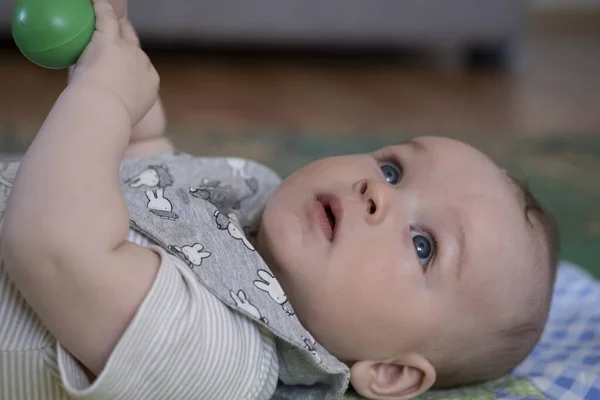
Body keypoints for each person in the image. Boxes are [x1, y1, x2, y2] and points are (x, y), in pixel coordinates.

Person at [0, 1, 559, 399]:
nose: (374, 192)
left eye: (422, 245)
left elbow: (52, 245)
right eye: (392, 169)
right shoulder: (255, 202)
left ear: (388, 372)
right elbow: (148, 171)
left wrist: (102, 96)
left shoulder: (224, 359)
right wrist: (115, 46)